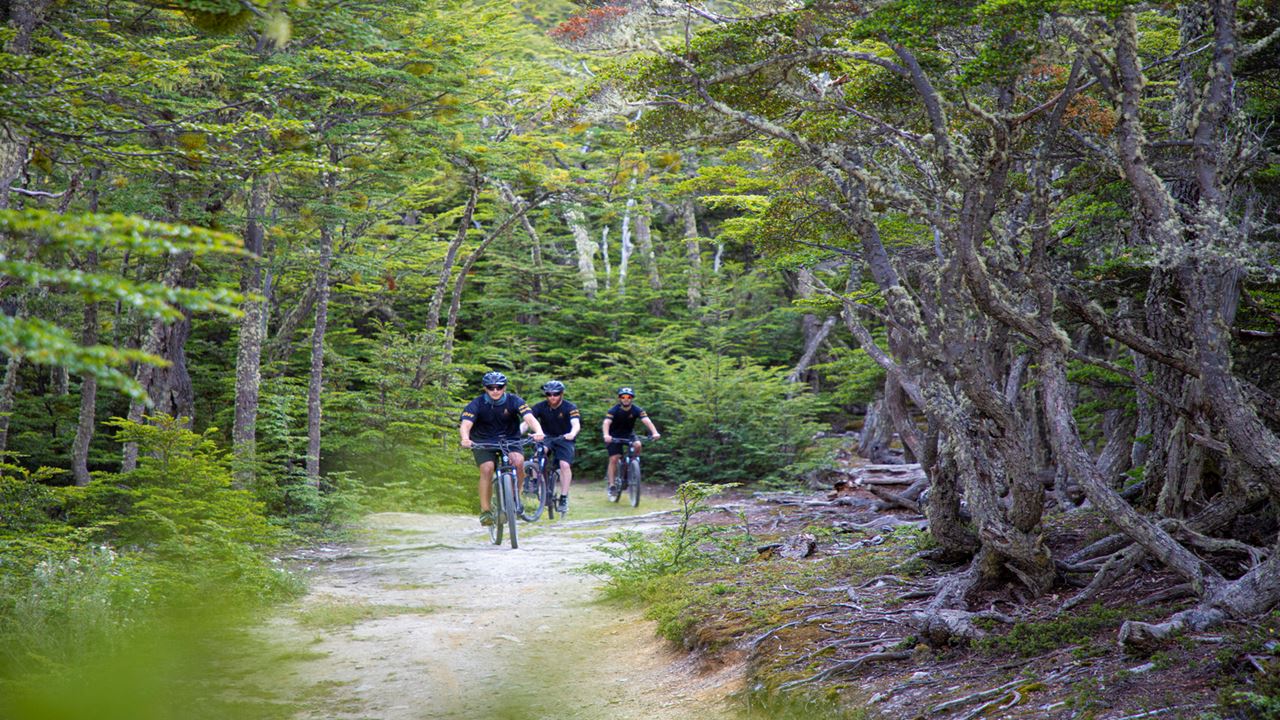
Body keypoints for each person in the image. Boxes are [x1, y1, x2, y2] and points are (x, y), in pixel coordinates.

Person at [459, 371, 544, 526]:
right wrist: (465, 438)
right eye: (491, 387)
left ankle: (514, 498)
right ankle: (485, 511)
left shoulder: (514, 401)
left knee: (518, 462)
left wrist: (539, 431)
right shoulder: (476, 404)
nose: (495, 390)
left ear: (504, 387)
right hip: (483, 441)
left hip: (510, 439)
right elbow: (466, 424)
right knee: (487, 468)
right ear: (485, 388)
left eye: (499, 387)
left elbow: (529, 418)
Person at [528, 380, 580, 514]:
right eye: (549, 394)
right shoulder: (540, 406)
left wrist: (572, 433)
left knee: (564, 465)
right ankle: (534, 482)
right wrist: (518, 432)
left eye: (555, 394)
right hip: (546, 437)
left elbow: (575, 423)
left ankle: (563, 497)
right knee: (537, 455)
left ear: (561, 394)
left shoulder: (570, 407)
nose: (552, 397)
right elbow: (528, 421)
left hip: (564, 438)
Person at [602, 386, 660, 498]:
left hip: (629, 434)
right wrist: (606, 435)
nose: (626, 399)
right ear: (620, 398)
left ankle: (633, 464)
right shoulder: (613, 410)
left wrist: (655, 432)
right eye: (623, 397)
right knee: (614, 458)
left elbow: (647, 421)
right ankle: (612, 485)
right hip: (614, 436)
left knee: (638, 444)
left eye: (628, 397)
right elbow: (606, 423)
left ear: (632, 398)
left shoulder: (637, 410)